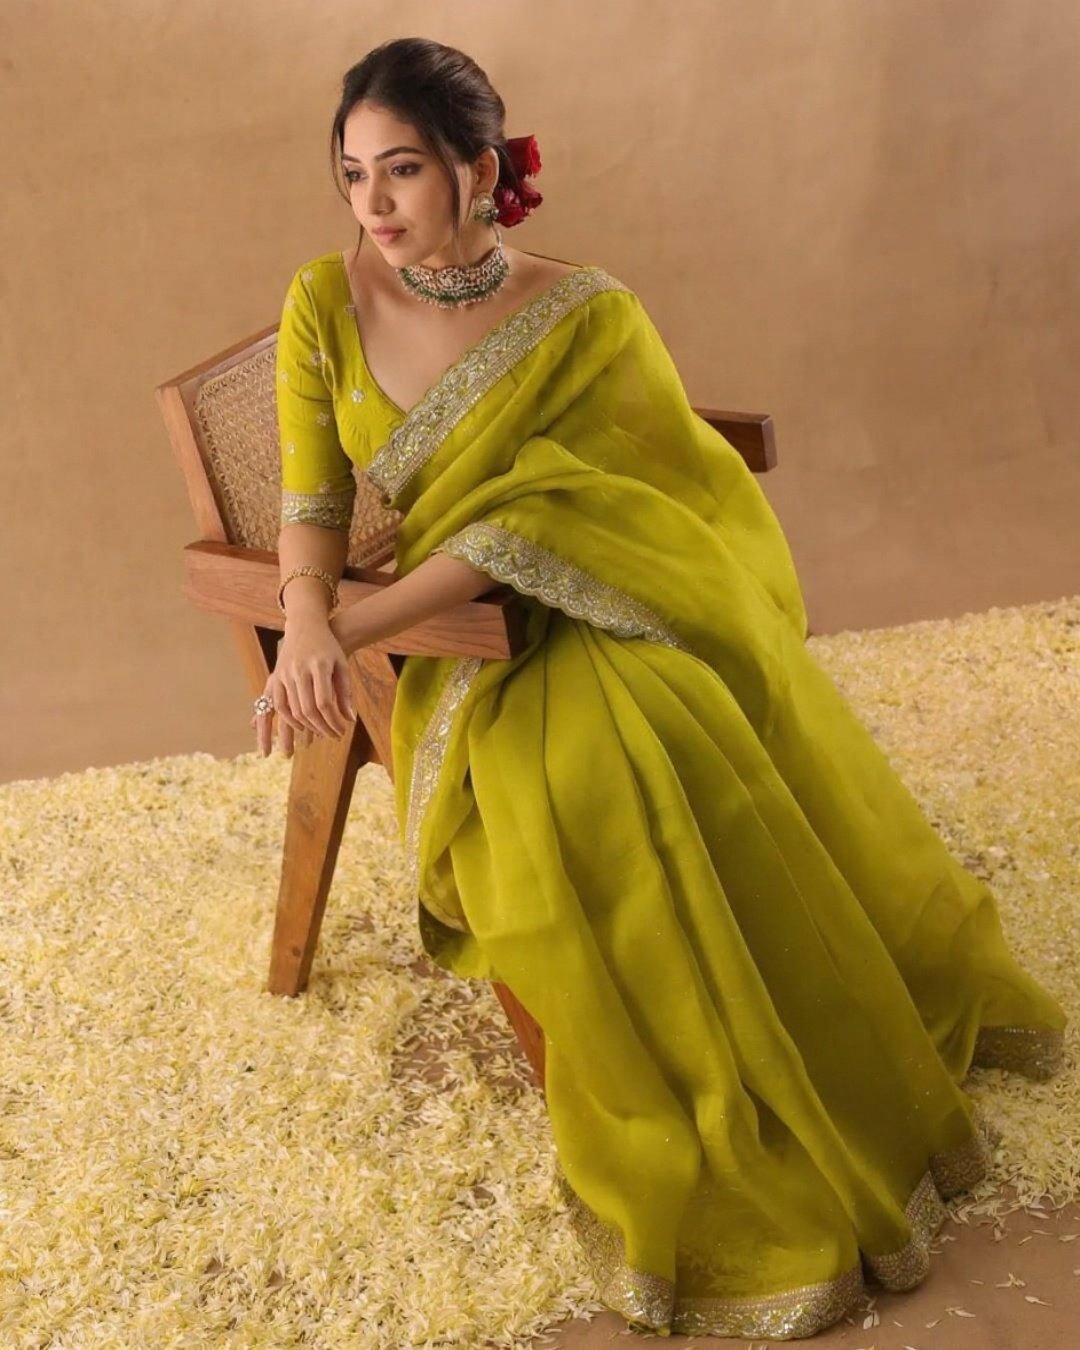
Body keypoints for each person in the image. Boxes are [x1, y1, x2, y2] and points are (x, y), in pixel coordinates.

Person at [250, 36, 1068, 1342]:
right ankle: (698, 1098)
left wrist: (344, 621)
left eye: (401, 170)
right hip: (464, 651)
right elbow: (311, 502)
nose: (374, 204)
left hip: (602, 598)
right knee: (591, 785)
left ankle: (797, 1083)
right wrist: (304, 617)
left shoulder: (582, 313)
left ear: (477, 170)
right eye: (353, 174)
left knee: (669, 744)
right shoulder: (323, 302)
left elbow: (567, 511)